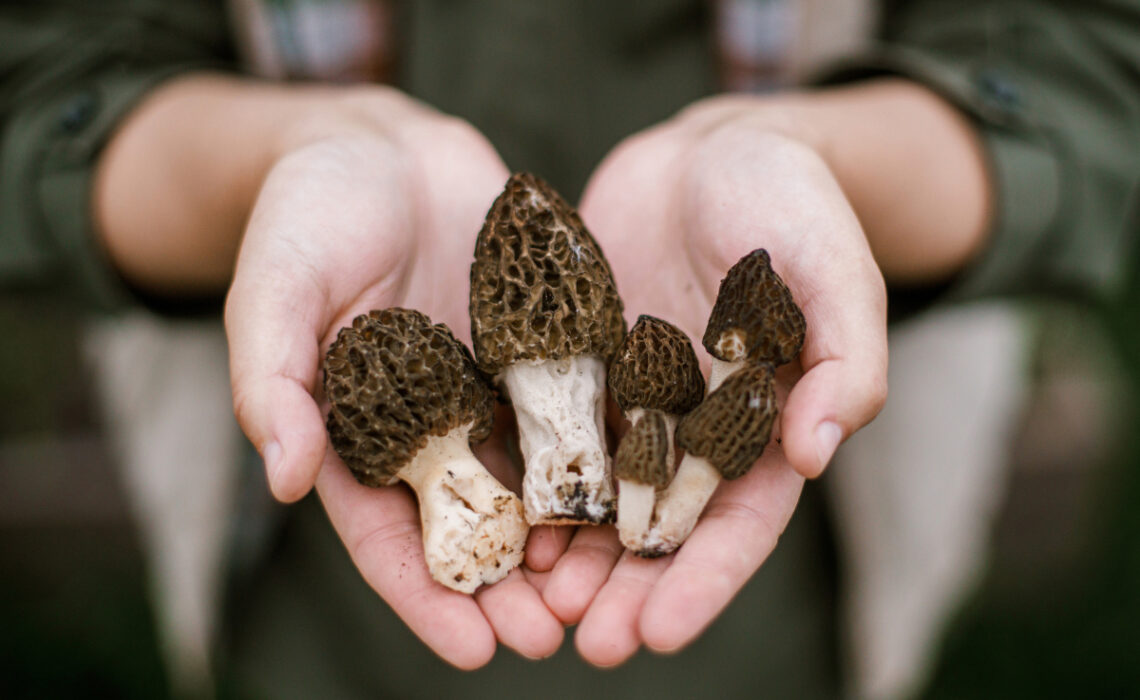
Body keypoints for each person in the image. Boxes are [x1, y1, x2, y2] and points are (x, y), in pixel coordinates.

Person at [3, 0, 1137, 696]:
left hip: (791, 619)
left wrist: (820, 155)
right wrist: (288, 154)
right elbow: (47, 91)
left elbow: (1081, 77)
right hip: (323, 631)